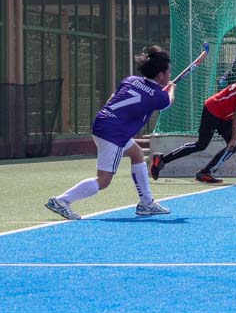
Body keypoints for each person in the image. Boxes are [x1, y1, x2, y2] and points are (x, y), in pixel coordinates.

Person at [45, 46, 176, 220]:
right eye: (168, 72)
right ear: (160, 75)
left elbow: (113, 97)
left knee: (136, 154)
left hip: (101, 123)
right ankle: (62, 201)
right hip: (114, 133)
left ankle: (146, 203)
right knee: (104, 180)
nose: (169, 75)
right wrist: (171, 87)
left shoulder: (130, 80)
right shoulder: (159, 95)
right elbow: (168, 102)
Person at [150, 59, 236, 184]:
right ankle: (161, 159)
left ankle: (205, 172)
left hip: (225, 115)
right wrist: (234, 136)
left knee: (234, 146)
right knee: (201, 145)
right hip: (213, 110)